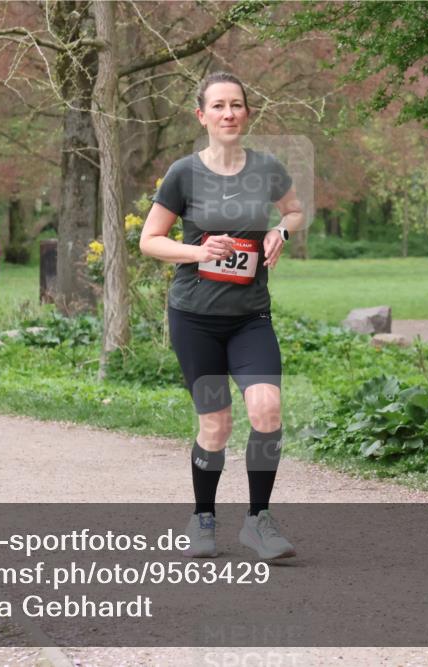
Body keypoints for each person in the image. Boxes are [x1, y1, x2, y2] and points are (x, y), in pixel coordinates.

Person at [139, 72, 306, 560]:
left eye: (236, 105)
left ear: (247, 113)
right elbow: (150, 240)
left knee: (267, 410)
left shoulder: (267, 168)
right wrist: (198, 252)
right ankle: (203, 516)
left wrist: (280, 231)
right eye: (218, 106)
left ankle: (258, 521)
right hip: (195, 319)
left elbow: (294, 211)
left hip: (250, 317)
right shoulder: (184, 173)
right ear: (202, 116)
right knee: (216, 424)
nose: (228, 113)